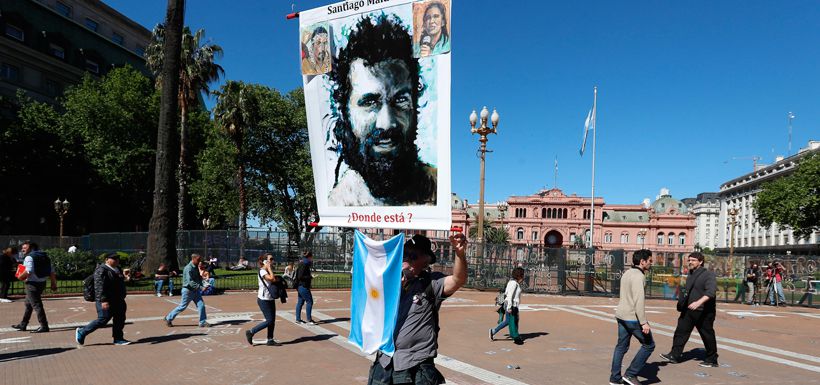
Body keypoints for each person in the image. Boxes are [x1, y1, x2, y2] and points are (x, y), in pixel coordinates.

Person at [328, 15, 437, 207]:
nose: (387, 123)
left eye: (401, 100)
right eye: (370, 102)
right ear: (344, 112)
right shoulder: (338, 203)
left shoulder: (437, 189)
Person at [366, 233, 467, 385]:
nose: (406, 258)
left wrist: (459, 254)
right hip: (385, 362)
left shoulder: (431, 283)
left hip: (415, 363)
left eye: (413, 256)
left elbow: (458, 279)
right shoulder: (387, 281)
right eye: (404, 254)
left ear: (425, 262)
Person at [660, 252, 719, 368]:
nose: (690, 262)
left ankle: (712, 359)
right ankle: (674, 355)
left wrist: (698, 302)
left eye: (693, 260)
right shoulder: (691, 273)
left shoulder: (708, 275)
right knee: (680, 332)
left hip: (704, 311)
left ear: (701, 262)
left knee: (707, 335)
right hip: (689, 310)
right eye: (689, 260)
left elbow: (711, 292)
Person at [609, 249, 655, 385]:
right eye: (650, 261)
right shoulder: (639, 276)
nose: (651, 263)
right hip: (632, 318)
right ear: (642, 261)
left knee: (621, 347)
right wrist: (644, 322)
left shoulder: (627, 273)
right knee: (649, 345)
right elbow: (639, 301)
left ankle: (615, 378)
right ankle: (630, 374)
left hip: (621, 315)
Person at [75, 253, 130, 346]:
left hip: (118, 299)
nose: (116, 260)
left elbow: (118, 282)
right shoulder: (101, 270)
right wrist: (103, 301)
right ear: (107, 260)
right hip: (106, 299)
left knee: (120, 319)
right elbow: (99, 286)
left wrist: (126, 277)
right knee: (103, 319)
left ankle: (118, 338)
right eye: (114, 258)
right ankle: (82, 331)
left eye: (117, 258)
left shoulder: (118, 269)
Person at [11, 242, 57, 333]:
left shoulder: (29, 257)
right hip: (42, 283)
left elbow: (29, 271)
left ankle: (44, 326)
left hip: (32, 284)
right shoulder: (45, 256)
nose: (22, 249)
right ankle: (23, 324)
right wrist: (53, 283)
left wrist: (20, 277)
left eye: (25, 248)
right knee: (29, 304)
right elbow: (51, 271)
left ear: (31, 248)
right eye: (22, 248)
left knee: (36, 305)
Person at [164, 254, 210, 327]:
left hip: (195, 291)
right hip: (188, 291)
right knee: (182, 307)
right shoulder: (188, 268)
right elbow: (190, 281)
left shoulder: (195, 267)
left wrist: (204, 284)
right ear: (193, 259)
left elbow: (198, 278)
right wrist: (201, 288)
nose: (199, 262)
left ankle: (202, 322)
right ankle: (168, 318)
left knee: (201, 305)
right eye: (198, 260)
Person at [245, 254, 281, 346]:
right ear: (265, 261)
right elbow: (272, 278)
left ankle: (270, 339)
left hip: (270, 298)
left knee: (272, 320)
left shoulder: (267, 271)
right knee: (269, 320)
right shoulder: (262, 271)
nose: (272, 261)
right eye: (271, 259)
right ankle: (251, 332)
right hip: (263, 299)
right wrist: (269, 268)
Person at [489, 267, 524, 345]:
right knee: (513, 321)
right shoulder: (514, 283)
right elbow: (510, 295)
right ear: (519, 275)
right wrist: (509, 307)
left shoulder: (512, 282)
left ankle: (493, 331)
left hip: (511, 305)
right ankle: (516, 337)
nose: (523, 277)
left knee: (508, 321)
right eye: (522, 275)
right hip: (511, 306)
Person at [294, 251, 317, 325]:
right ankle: (309, 320)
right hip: (303, 286)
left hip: (301, 286)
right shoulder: (304, 264)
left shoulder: (303, 263)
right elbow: (300, 276)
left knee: (300, 302)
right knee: (310, 301)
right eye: (311, 257)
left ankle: (298, 319)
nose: (312, 259)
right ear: (309, 257)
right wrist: (310, 277)